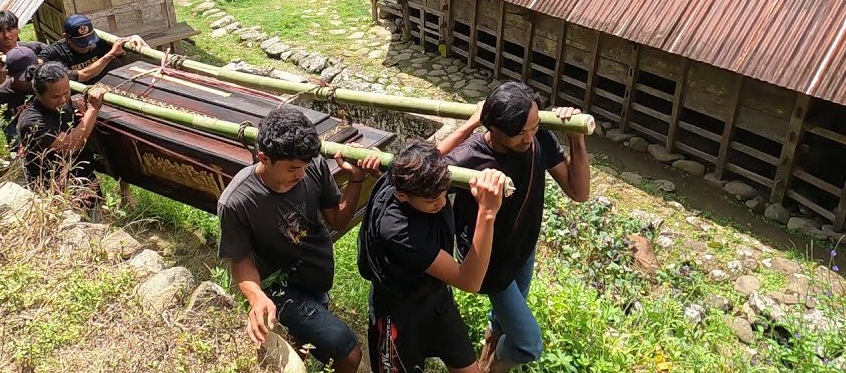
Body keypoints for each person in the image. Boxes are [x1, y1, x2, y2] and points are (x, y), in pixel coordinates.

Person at [439, 83, 589, 372]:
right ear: (493, 128)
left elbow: (578, 191)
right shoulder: (469, 158)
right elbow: (424, 171)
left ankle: (486, 353)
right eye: (521, 132)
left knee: (501, 322)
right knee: (527, 344)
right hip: (490, 265)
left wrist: (576, 140)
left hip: (523, 249)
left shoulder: (536, 136)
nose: (530, 138)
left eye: (534, 126)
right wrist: (468, 125)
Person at [217, 108, 381, 373]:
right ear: (264, 158)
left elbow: (337, 220)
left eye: (305, 166)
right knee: (349, 353)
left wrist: (356, 179)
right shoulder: (238, 201)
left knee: (298, 349)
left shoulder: (311, 166)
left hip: (316, 276)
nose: (301, 174)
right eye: (293, 168)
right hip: (280, 287)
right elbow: (241, 259)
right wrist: (256, 297)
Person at [359, 141, 508, 373]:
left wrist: (472, 122)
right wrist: (487, 214)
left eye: (443, 195)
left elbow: (432, 156)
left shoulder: (415, 177)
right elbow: (469, 281)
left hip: (436, 299)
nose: (440, 203)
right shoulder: (397, 230)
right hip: (398, 312)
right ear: (402, 195)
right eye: (431, 201)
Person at [16, 61, 105, 214]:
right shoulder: (32, 121)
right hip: (53, 186)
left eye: (67, 93)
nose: (63, 100)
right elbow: (71, 145)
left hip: (82, 176)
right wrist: (93, 109)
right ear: (38, 93)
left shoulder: (62, 95)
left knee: (94, 217)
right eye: (56, 97)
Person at [39, 14, 142, 83]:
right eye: (81, 43)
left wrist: (132, 38)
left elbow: (121, 43)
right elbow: (83, 75)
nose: (87, 46)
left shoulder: (101, 42)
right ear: (66, 37)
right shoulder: (54, 53)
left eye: (89, 40)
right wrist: (110, 55)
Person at [0, 46, 41, 145]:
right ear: (9, 73)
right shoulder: (0, 97)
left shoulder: (45, 85)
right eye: (24, 77)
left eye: (32, 75)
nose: (29, 80)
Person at [0, 10, 49, 89]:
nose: (6, 35)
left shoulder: (36, 47)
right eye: (0, 32)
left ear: (18, 29)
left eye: (10, 30)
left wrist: (38, 62)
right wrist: (1, 74)